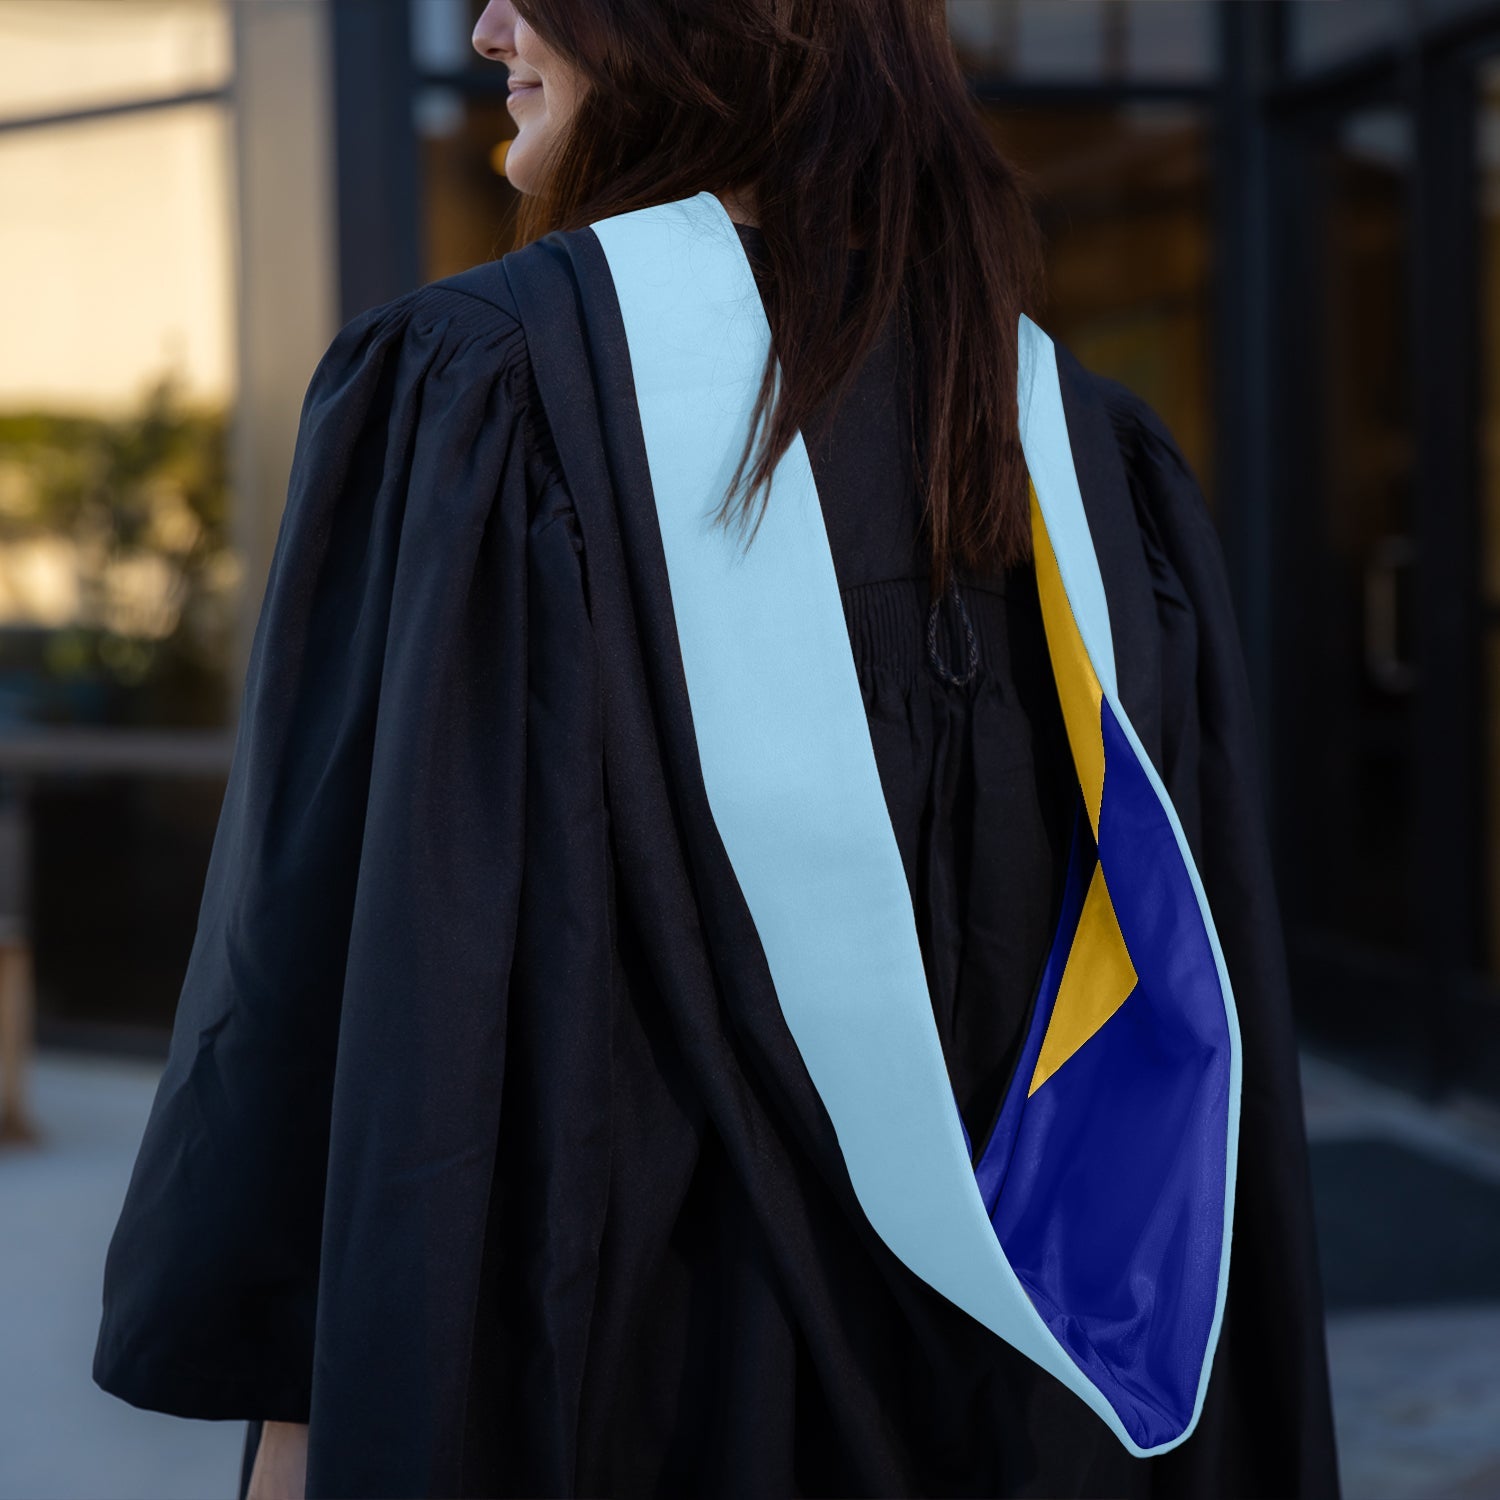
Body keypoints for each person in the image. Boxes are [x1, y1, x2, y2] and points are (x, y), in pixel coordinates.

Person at [92, 3, 1342, 1497]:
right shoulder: (1082, 457)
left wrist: (296, 1440)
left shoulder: (485, 396)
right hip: (1027, 1426)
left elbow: (330, 1014)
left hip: (621, 1395)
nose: (490, 24)